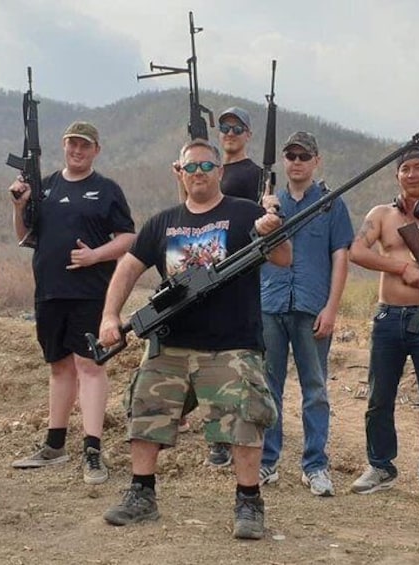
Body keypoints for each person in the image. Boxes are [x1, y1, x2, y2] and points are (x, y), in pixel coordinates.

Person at [98, 139, 291, 540]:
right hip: (171, 345)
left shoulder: (245, 214)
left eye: (207, 167)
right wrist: (109, 317)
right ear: (179, 172)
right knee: (144, 407)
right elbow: (128, 268)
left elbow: (283, 257)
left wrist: (274, 229)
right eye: (191, 168)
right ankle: (142, 494)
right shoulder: (161, 222)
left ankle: (249, 501)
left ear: (220, 171)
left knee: (245, 416)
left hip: (232, 343)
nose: (199, 174)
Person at [8, 121, 136, 485]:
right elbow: (25, 236)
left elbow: (128, 237)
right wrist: (19, 206)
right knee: (58, 367)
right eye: (72, 144)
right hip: (49, 291)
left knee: (89, 365)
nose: (77, 151)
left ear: (96, 149)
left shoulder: (107, 190)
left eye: (85, 146)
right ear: (63, 146)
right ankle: (54, 444)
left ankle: (93, 449)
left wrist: (96, 255)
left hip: (91, 292)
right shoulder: (45, 186)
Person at [349, 146, 419, 517]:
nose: (412, 175)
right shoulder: (380, 215)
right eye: (405, 169)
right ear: (397, 175)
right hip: (388, 318)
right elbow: (357, 252)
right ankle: (381, 466)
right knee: (379, 399)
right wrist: (402, 268)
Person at [258, 132, 354, 496]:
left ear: (317, 160)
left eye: (303, 155)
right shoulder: (269, 205)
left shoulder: (331, 204)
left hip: (312, 309)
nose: (296, 161)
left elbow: (340, 256)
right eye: (291, 155)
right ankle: (268, 462)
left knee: (315, 391)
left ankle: (315, 465)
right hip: (271, 305)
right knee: (270, 388)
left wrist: (331, 308)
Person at [174, 107, 264, 467]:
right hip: (197, 272)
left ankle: (229, 440)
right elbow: (190, 213)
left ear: (248, 133)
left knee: (232, 365)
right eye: (223, 127)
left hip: (236, 279)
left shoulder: (257, 175)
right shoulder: (201, 168)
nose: (229, 132)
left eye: (236, 127)